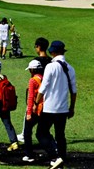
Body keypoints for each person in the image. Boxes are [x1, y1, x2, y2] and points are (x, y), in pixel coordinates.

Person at [34, 40, 77, 169]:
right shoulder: (70, 68)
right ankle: (62, 158)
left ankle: (55, 156)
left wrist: (36, 102)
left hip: (50, 107)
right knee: (60, 135)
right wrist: (72, 108)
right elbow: (74, 91)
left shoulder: (51, 66)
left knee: (41, 133)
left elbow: (43, 88)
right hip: (63, 108)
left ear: (52, 52)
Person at [22, 60, 44, 163]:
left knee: (27, 132)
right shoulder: (43, 78)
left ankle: (29, 154)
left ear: (32, 70)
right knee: (43, 132)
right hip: (44, 108)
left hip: (35, 109)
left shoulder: (32, 81)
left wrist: (29, 113)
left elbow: (30, 97)